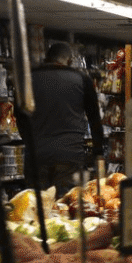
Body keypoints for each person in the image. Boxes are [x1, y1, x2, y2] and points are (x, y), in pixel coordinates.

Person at [28, 42, 105, 198]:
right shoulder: (81, 79)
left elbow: (20, 116)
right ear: (69, 61)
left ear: (47, 58)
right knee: (67, 201)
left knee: (35, 203)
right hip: (69, 155)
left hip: (37, 154)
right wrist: (98, 152)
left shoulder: (29, 78)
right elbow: (94, 119)